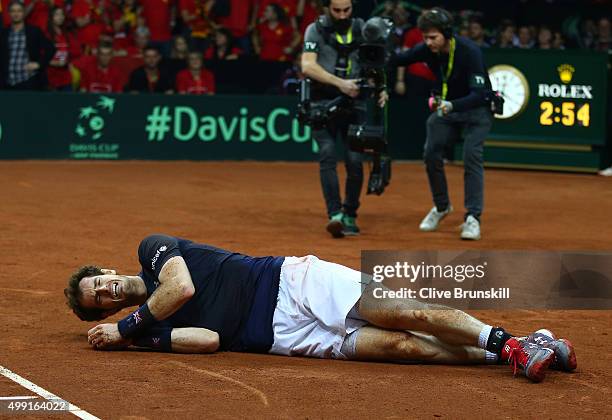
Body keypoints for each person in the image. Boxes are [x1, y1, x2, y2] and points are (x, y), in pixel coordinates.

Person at [64, 234, 577, 383]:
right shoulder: (149, 326)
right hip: (284, 339)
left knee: (402, 313)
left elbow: (181, 290)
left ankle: (505, 339)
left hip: (293, 283)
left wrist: (130, 326)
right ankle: (518, 352)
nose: (107, 291)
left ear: (107, 269)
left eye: (101, 283)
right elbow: (209, 341)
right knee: (401, 347)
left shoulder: (152, 251)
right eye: (99, 301)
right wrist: (140, 338)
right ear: (99, 312)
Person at [391, 7, 493, 240]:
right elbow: (398, 59)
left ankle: (473, 218)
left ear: (447, 34)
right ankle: (441, 206)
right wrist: (380, 46)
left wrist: (452, 105)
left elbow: (480, 93)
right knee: (430, 154)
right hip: (447, 109)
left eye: (433, 37)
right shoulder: (428, 49)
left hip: (476, 111)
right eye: (425, 37)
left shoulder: (470, 51)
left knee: (471, 156)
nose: (428, 42)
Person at [301, 0, 388, 238]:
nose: (341, 15)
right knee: (327, 153)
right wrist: (341, 84)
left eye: (346, 10)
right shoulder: (315, 29)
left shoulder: (364, 28)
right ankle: (335, 215)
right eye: (336, 10)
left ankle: (350, 213)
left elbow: (378, 63)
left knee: (354, 160)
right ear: (328, 7)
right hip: (322, 103)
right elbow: (307, 66)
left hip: (355, 104)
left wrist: (382, 88)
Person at [0, 1, 55, 90]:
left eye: (19, 11)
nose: (16, 14)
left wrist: (39, 64)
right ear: (9, 13)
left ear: (24, 12)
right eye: (13, 11)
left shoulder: (33, 32)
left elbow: (50, 49)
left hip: (28, 81)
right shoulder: (3, 33)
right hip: (7, 83)